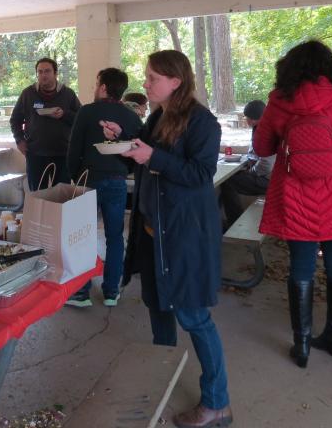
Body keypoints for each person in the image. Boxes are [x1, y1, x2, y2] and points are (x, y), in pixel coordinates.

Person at [109, 50, 232, 428]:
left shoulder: (203, 123)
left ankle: (217, 403)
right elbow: (149, 159)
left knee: (195, 318)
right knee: (159, 311)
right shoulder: (158, 116)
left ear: (175, 81)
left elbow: (199, 175)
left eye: (152, 78)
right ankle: (161, 383)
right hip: (152, 233)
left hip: (183, 236)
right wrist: (126, 143)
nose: (144, 83)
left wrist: (151, 157)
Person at [253, 40, 332, 369]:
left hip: (295, 193)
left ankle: (303, 343)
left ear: (290, 68)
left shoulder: (279, 102)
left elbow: (263, 147)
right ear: (330, 67)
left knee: (301, 266)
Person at [65, 68, 143, 308]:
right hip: (117, 182)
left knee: (82, 237)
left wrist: (73, 178)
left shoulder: (87, 112)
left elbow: (73, 148)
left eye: (97, 83)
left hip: (87, 181)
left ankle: (81, 293)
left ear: (103, 87)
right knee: (115, 236)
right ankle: (111, 291)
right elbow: (137, 150)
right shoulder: (131, 116)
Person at [10, 58, 81, 190]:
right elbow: (15, 119)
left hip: (62, 153)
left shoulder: (68, 94)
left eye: (47, 71)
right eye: (40, 72)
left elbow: (80, 119)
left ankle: (58, 212)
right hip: (35, 154)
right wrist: (19, 140)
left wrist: (64, 114)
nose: (43, 75)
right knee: (37, 194)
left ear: (55, 73)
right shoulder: (28, 94)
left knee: (61, 195)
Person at [218, 100, 275, 229]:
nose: (246, 121)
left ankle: (233, 221)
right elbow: (256, 153)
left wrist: (251, 172)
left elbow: (266, 164)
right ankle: (228, 219)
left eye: (248, 118)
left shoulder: (267, 132)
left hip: (269, 181)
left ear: (254, 118)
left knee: (227, 181)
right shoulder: (261, 127)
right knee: (232, 179)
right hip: (267, 177)